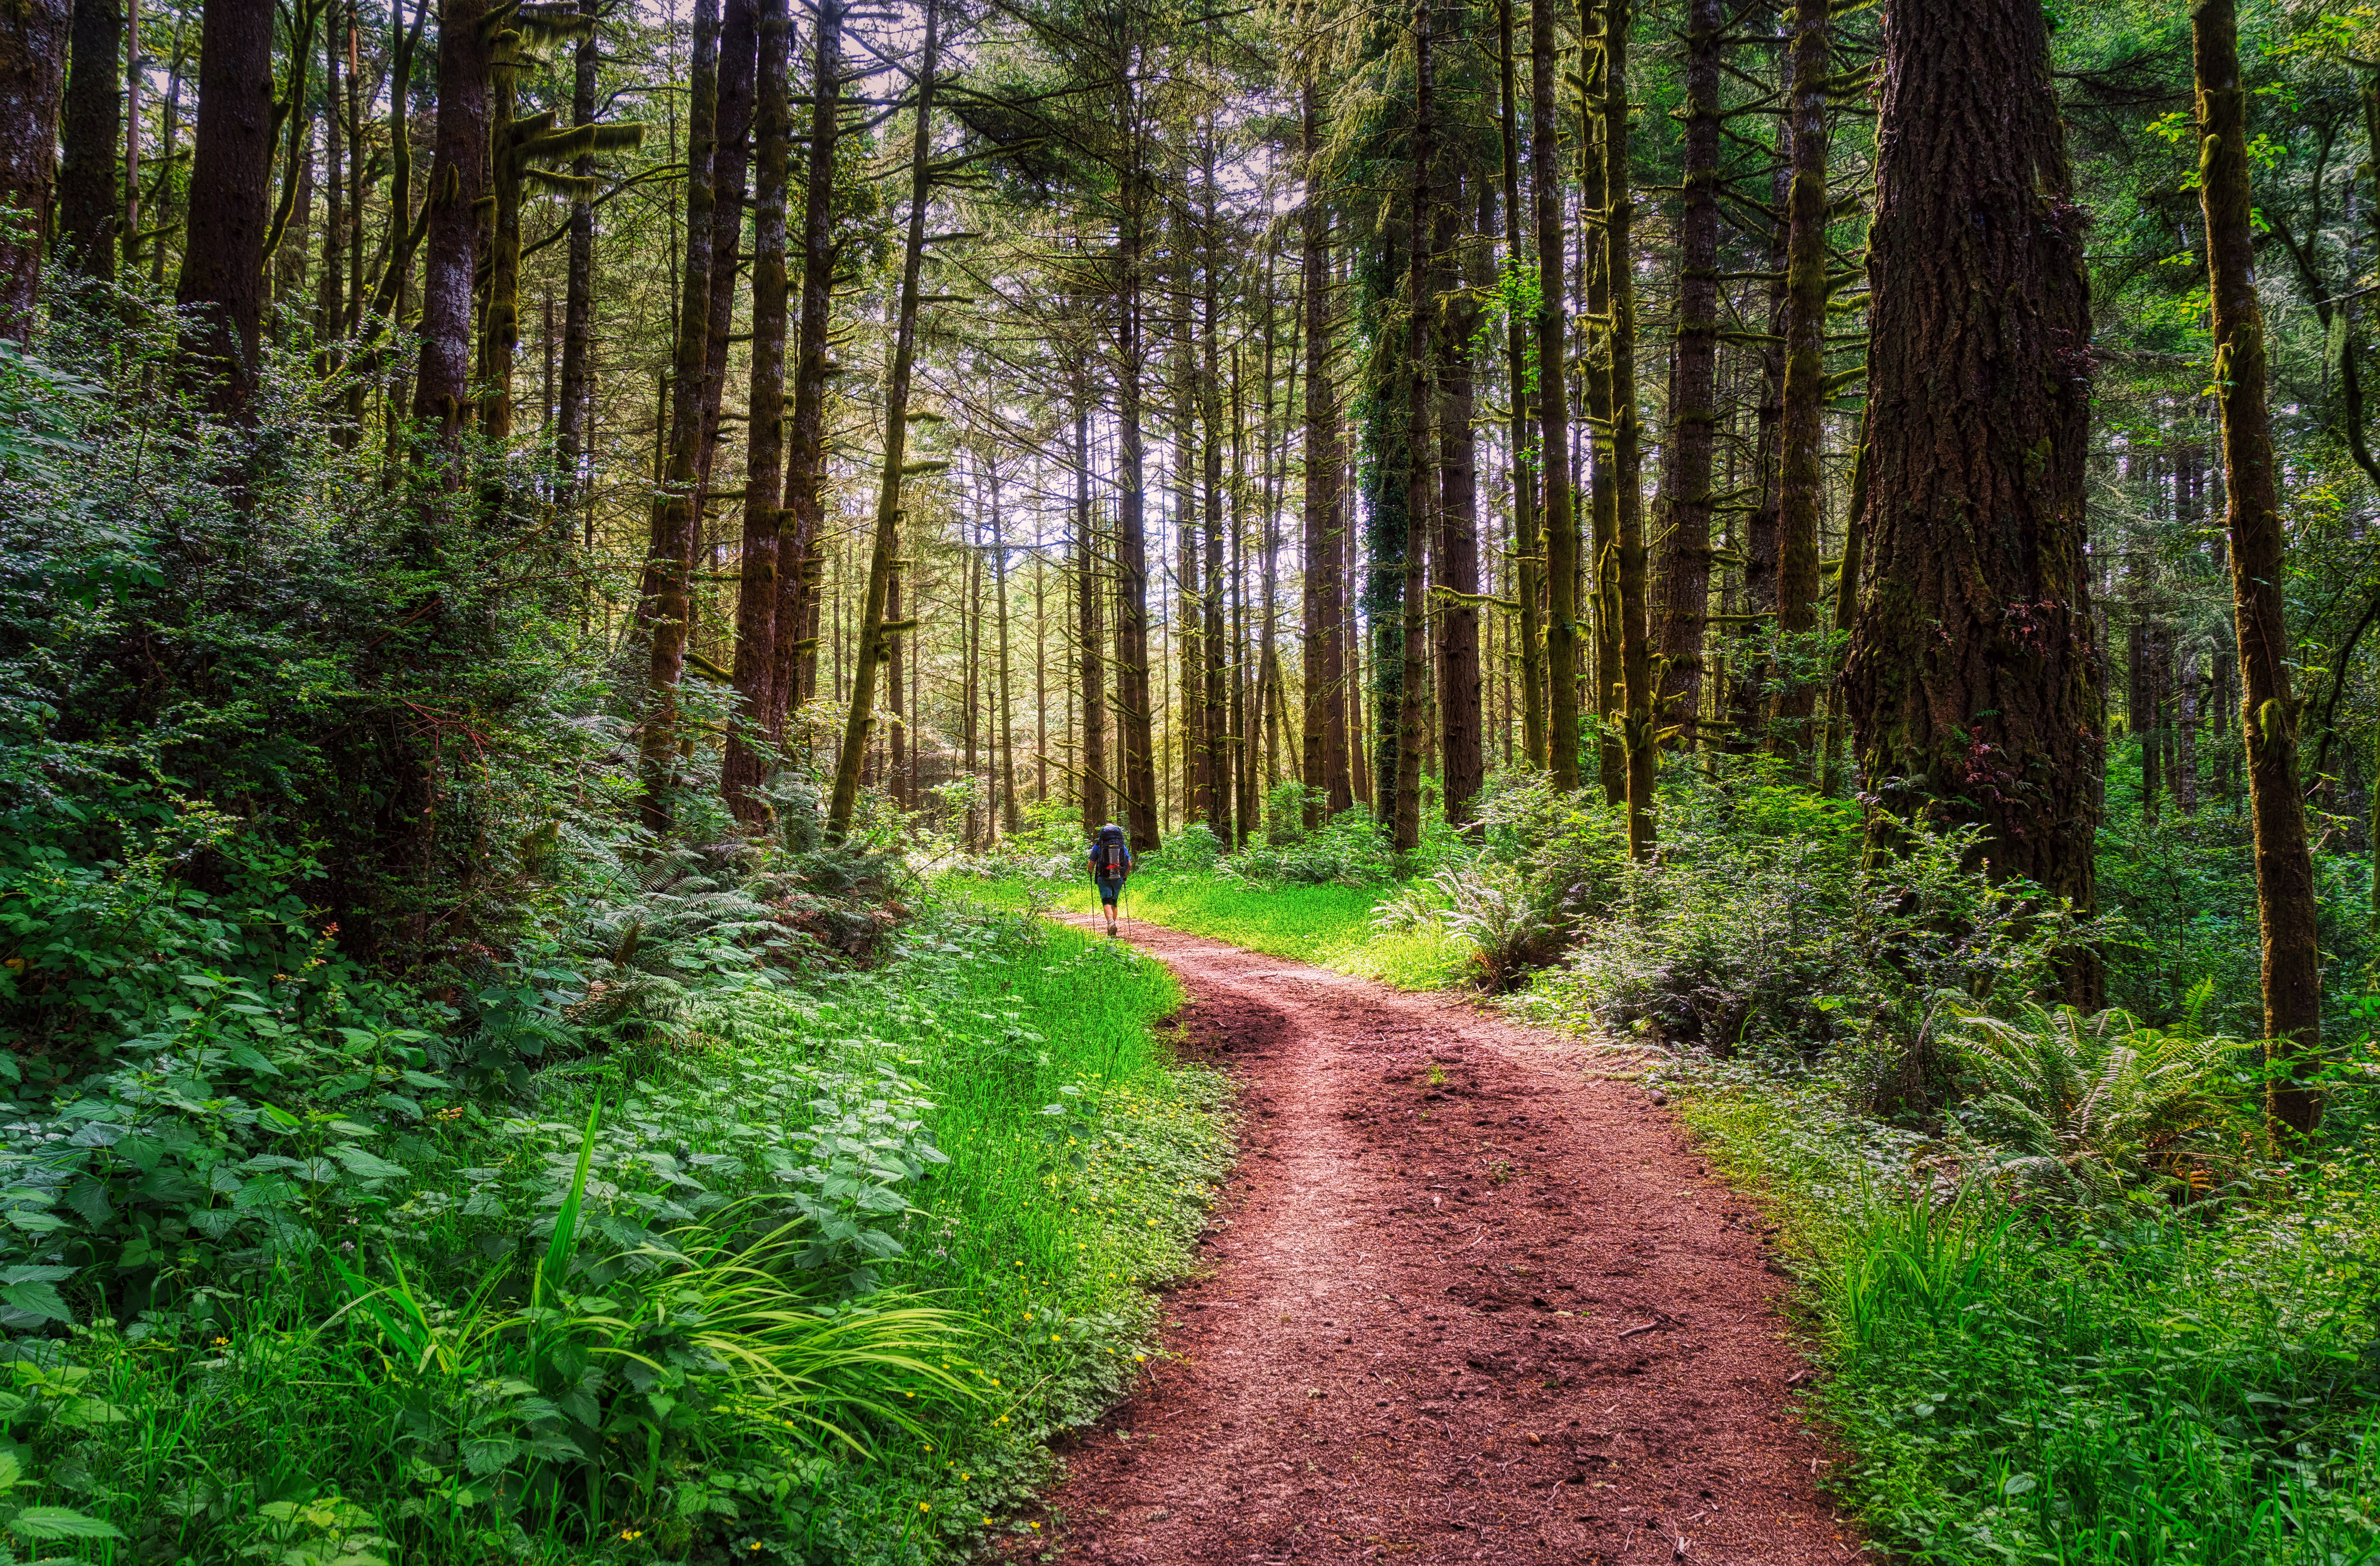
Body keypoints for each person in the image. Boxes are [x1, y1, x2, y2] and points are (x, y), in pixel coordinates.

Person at [1088, 822, 1132, 936]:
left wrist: (1090, 871)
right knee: (1114, 902)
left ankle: (1110, 922)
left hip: (1104, 876)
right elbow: (1130, 865)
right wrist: (1124, 876)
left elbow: (1091, 865)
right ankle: (1111, 929)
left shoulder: (1098, 846)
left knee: (1106, 901)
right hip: (1118, 878)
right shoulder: (1122, 846)